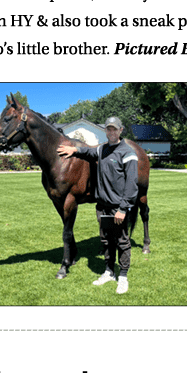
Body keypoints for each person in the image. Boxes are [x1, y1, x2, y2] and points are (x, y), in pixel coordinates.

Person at [58, 117, 138, 295]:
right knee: (106, 240)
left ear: (121, 130)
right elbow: (88, 152)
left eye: (114, 129)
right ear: (106, 131)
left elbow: (132, 185)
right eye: (108, 129)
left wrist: (123, 209)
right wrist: (74, 150)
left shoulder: (127, 152)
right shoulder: (102, 149)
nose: (111, 132)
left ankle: (123, 276)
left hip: (119, 207)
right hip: (102, 206)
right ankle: (109, 272)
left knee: (122, 242)